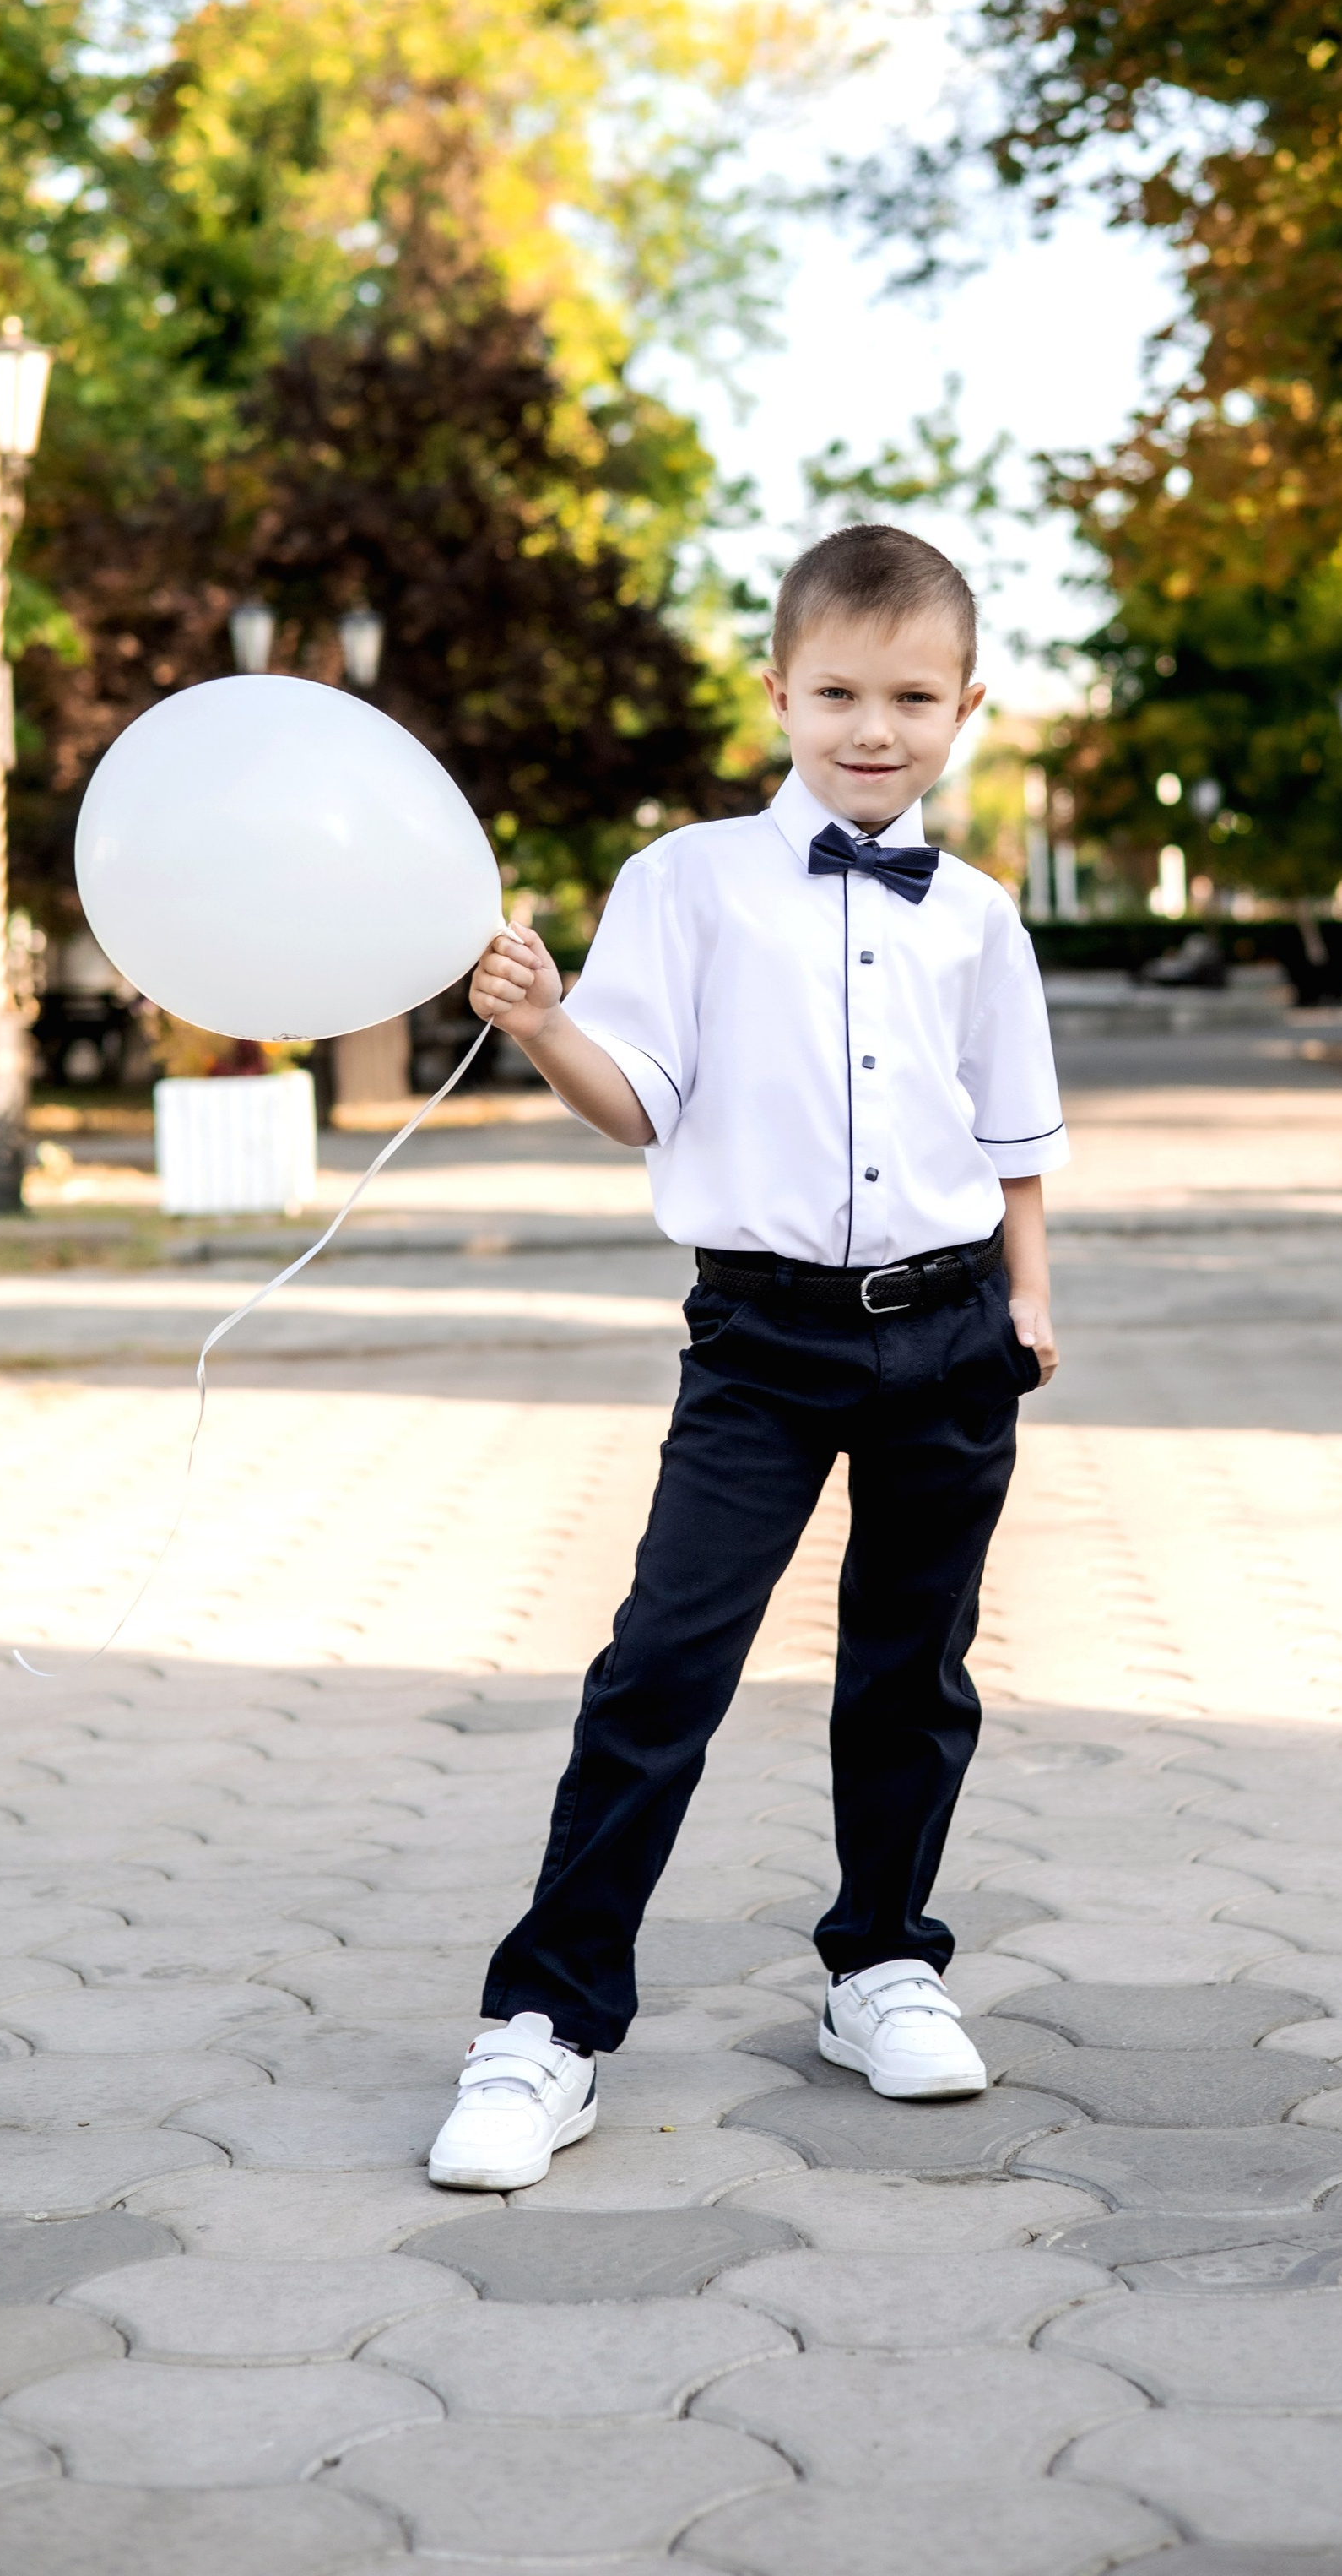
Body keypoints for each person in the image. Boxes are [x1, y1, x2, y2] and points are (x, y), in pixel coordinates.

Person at [425, 522, 1068, 2190]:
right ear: (778, 688)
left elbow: (1008, 1133)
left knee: (910, 1667)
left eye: (911, 696)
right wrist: (547, 1021)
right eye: (839, 690)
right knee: (664, 1663)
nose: (873, 726)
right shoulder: (686, 880)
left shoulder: (981, 916)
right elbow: (640, 1099)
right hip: (761, 1337)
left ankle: (881, 1967)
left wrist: (1030, 1298)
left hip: (949, 1332)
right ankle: (545, 2023)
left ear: (965, 706)